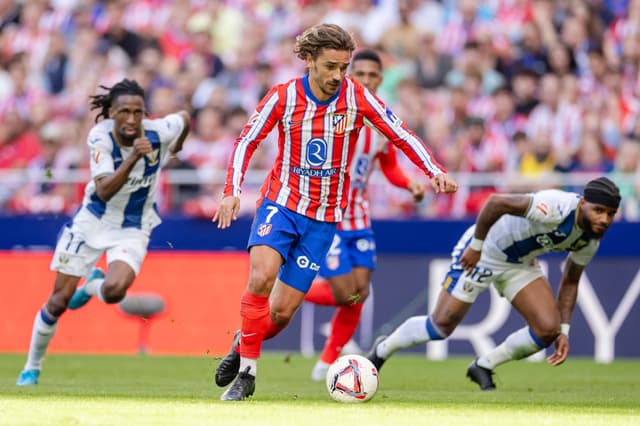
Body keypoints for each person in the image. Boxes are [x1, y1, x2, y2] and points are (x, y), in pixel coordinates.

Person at [212, 23, 457, 401]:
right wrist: (231, 191)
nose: (338, 76)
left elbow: (400, 133)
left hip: (324, 219)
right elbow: (247, 139)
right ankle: (247, 374)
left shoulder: (357, 98)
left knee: (278, 316)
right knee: (261, 278)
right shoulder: (283, 96)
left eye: (344, 67)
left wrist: (434, 170)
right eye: (330, 67)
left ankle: (240, 343)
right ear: (309, 61)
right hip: (281, 204)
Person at [366, 177, 621, 390]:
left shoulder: (590, 241)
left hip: (519, 262)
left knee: (547, 329)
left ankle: (483, 365)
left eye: (610, 214)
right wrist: (476, 246)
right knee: (440, 327)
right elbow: (495, 202)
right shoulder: (556, 207)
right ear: (583, 203)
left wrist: (564, 331)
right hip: (485, 250)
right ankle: (383, 349)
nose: (604, 220)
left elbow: (570, 282)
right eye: (598, 211)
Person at [16, 79, 191, 385]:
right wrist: (135, 157)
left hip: (133, 227)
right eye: (124, 112)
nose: (132, 120)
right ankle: (32, 366)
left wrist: (174, 147)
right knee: (58, 301)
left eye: (138, 112)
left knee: (114, 292)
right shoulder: (100, 138)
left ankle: (92, 287)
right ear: (111, 113)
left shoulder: (158, 131)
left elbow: (185, 119)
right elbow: (104, 190)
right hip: (92, 221)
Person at [304, 49, 425, 381]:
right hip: (328, 217)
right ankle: (291, 288)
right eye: (360, 74)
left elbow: (388, 167)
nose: (367, 80)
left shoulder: (382, 122)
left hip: (359, 218)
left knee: (358, 294)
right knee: (345, 293)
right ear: (347, 75)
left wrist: (409, 183)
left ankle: (326, 362)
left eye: (373, 75)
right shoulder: (332, 112)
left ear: (380, 80)